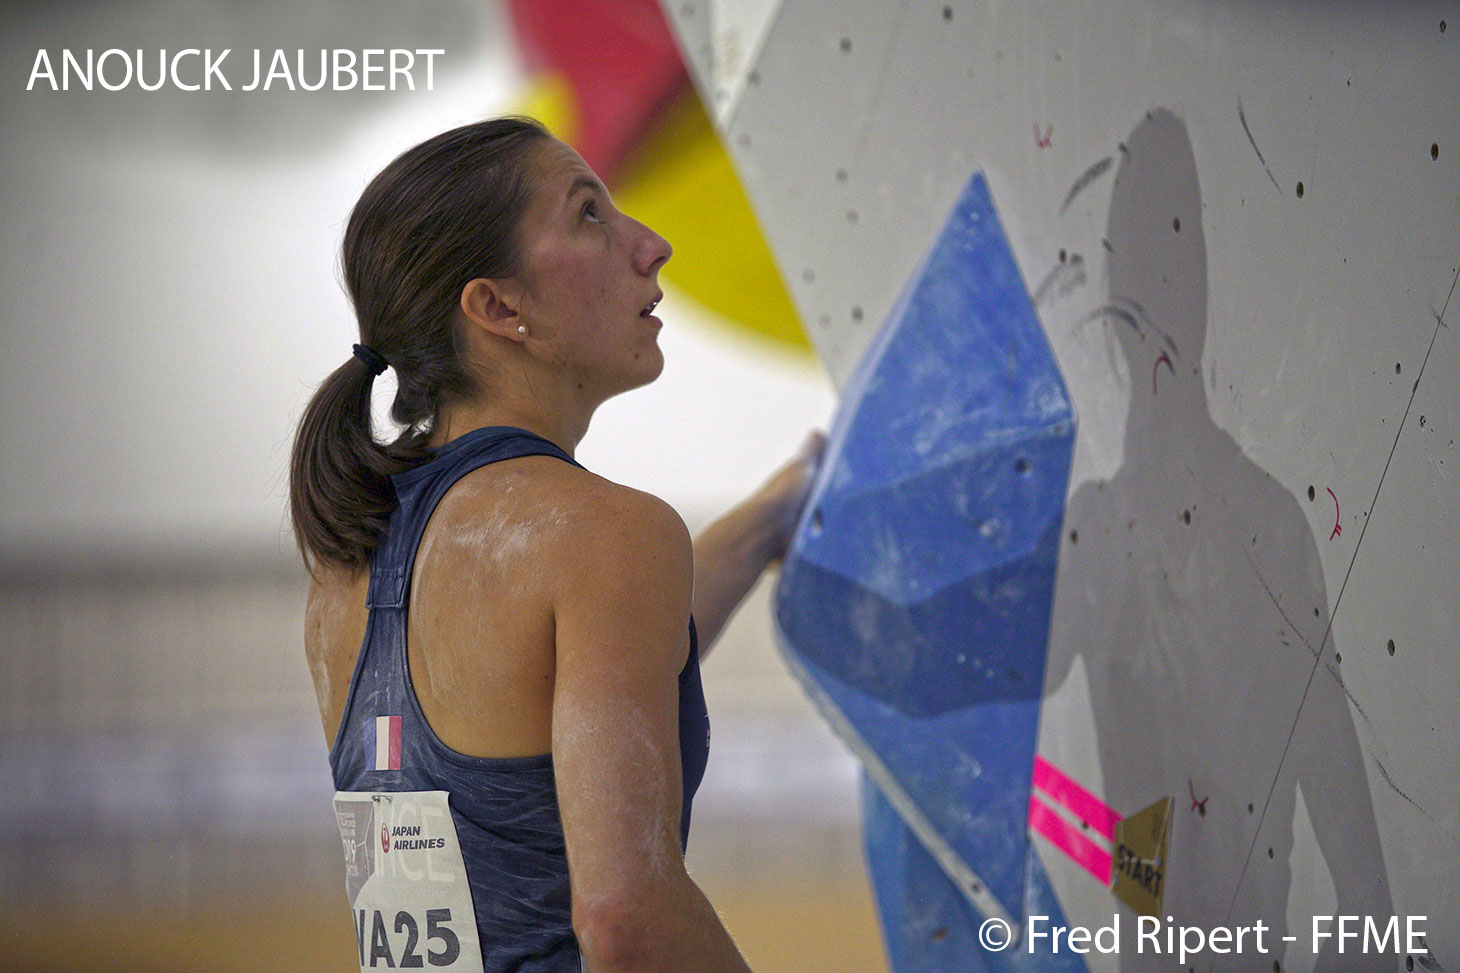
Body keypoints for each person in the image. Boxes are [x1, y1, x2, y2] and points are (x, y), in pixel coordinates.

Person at [289, 115, 824, 972]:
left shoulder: (348, 564)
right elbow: (624, 920)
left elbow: (597, 657)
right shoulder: (603, 535)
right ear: (498, 308)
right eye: (589, 216)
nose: (652, 246)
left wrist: (777, 511)